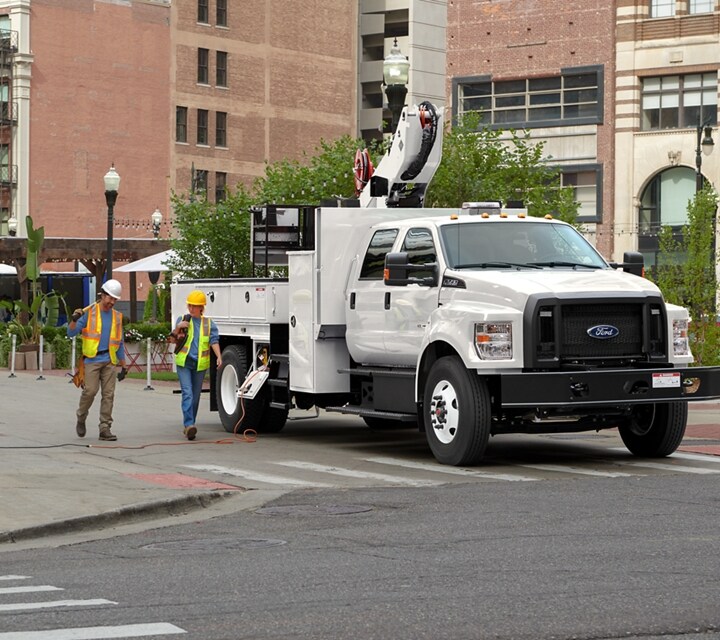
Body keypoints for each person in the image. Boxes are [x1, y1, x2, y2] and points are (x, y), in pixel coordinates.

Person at [67, 279, 128, 441]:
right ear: (102, 295)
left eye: (115, 299)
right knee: (90, 391)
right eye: (110, 298)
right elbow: (70, 333)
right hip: (92, 360)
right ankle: (81, 416)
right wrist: (74, 319)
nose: (112, 302)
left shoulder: (117, 317)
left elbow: (119, 342)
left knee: (109, 394)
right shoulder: (89, 313)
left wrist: (124, 365)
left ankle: (105, 427)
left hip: (110, 360)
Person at [170, 289, 222, 440]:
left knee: (196, 396)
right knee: (187, 393)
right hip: (184, 363)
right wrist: (178, 327)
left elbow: (214, 341)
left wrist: (219, 357)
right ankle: (189, 425)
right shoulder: (183, 319)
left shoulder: (208, 324)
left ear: (202, 308)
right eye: (190, 305)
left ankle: (190, 424)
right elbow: (172, 340)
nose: (191, 309)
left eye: (194, 306)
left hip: (199, 365)